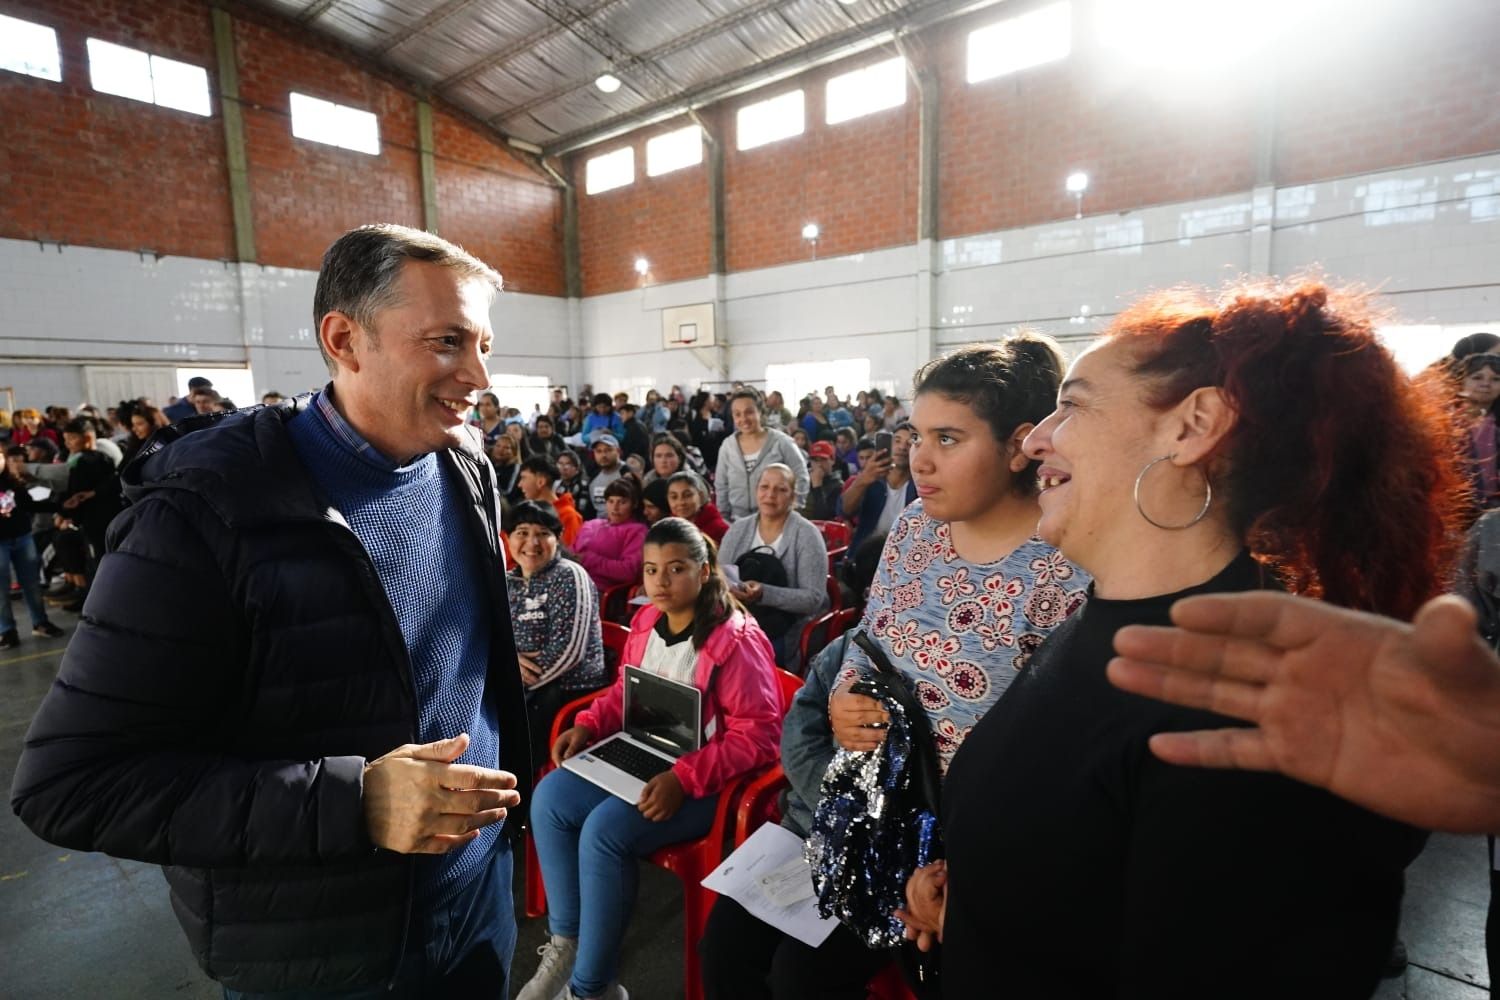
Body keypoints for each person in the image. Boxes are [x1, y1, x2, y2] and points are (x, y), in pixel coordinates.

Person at [9, 224, 532, 997]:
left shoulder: (464, 467)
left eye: (483, 343)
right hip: (325, 955)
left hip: (476, 903)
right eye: (448, 341)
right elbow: (72, 786)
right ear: (345, 339)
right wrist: (354, 802)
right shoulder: (203, 516)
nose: (480, 372)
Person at [920, 279, 1461, 998]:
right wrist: (982, 894)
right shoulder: (1110, 616)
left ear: (1192, 426)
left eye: (1072, 404)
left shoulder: (1249, 705)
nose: (1037, 438)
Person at [519, 517, 782, 1000]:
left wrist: (683, 778)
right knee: (551, 797)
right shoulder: (645, 622)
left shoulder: (736, 640)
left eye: (676, 568)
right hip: (644, 752)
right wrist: (591, 725)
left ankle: (592, 987)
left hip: (705, 779)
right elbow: (625, 692)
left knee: (604, 832)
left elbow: (760, 736)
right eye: (651, 570)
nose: (660, 581)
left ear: (704, 572)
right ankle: (569, 944)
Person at [507, 500, 608, 768]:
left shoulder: (569, 575)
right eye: (522, 533)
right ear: (508, 538)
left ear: (557, 539)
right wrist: (509, 662)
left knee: (505, 728)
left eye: (543, 533)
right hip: (523, 688)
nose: (532, 542)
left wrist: (511, 681)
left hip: (569, 690)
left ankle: (519, 800)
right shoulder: (506, 581)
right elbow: (490, 637)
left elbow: (569, 651)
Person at [718, 464, 829, 669]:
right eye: (764, 487)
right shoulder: (738, 529)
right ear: (756, 491)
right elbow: (720, 577)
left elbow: (813, 599)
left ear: (793, 497)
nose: (770, 495)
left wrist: (764, 593)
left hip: (784, 626)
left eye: (781, 489)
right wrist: (730, 590)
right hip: (736, 618)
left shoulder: (807, 535)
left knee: (749, 658)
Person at [715, 389, 810, 522]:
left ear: (760, 411)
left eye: (749, 412)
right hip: (737, 521)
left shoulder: (781, 442)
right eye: (737, 414)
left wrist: (793, 509)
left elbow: (801, 476)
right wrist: (724, 517)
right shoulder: (728, 446)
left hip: (776, 521)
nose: (743, 419)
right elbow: (721, 485)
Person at [0, 456, 65, 646]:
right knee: (1, 589)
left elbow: (30, 505)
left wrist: (60, 506)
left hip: (22, 537)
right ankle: (7, 630)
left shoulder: (12, 481)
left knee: (32, 584)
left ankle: (40, 622)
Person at [840, 423, 916, 552]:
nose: (902, 447)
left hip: (904, 557)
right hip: (865, 557)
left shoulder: (921, 486)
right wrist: (863, 480)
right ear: (889, 445)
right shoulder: (869, 479)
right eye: (897, 441)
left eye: (909, 443)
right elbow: (845, 511)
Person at [573, 477, 648, 592]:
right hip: (573, 581)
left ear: (634, 504)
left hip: (600, 590)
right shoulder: (590, 524)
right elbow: (572, 552)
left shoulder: (637, 531)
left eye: (622, 502)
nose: (615, 507)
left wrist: (590, 560)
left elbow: (628, 571)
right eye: (610, 501)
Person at [518, 454, 582, 547]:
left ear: (541, 482)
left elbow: (570, 555)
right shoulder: (524, 511)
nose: (519, 484)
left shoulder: (569, 516)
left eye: (524, 478)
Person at [666, 471, 729, 545]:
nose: (681, 502)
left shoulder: (720, 530)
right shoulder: (667, 530)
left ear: (701, 496)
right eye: (674, 497)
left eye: (687, 495)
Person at [802, 441, 844, 521]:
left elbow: (823, 518)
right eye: (815, 460)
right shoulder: (803, 479)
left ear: (832, 460)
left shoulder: (838, 486)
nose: (819, 464)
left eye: (823, 459)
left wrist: (817, 487)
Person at [588, 435, 625, 516]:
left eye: (608, 450)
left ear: (618, 451)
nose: (603, 455)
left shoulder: (626, 473)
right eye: (599, 451)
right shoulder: (593, 477)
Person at [556, 450, 596, 521]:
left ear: (577, 467)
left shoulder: (584, 484)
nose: (563, 468)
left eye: (568, 464)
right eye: (560, 464)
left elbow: (582, 512)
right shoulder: (559, 484)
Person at [492, 434, 523, 505]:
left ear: (514, 452)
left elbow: (508, 493)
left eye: (506, 448)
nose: (500, 450)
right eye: (498, 446)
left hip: (508, 505)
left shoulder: (516, 467)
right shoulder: (490, 464)